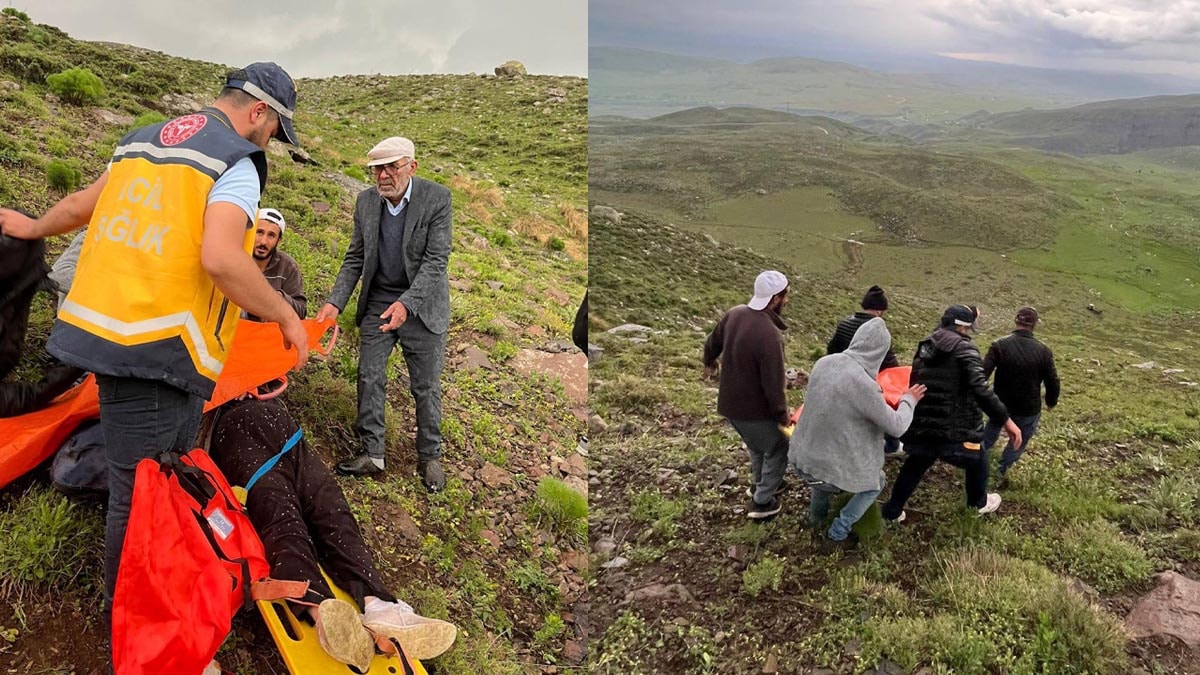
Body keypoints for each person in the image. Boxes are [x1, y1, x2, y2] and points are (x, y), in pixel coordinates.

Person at [0, 63, 310, 638]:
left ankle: (151, 594)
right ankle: (130, 628)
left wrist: (34, 225)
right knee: (137, 494)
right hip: (160, 351)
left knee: (155, 480)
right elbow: (221, 258)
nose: (272, 143)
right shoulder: (235, 162)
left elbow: (82, 206)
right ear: (259, 112)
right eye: (274, 131)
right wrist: (286, 316)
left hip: (109, 336)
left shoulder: (142, 142)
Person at [206, 398, 456, 669]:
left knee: (333, 511)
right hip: (231, 426)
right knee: (283, 520)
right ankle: (323, 614)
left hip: (280, 424)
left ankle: (381, 606)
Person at [316, 136, 452, 491]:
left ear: (412, 166)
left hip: (421, 304)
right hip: (379, 299)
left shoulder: (437, 199)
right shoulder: (365, 203)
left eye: (392, 167)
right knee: (369, 373)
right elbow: (355, 258)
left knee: (425, 385)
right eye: (378, 168)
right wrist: (335, 303)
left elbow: (436, 262)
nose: (384, 175)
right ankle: (373, 452)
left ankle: (429, 456)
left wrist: (407, 304)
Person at [790, 318, 925, 548]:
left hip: (801, 458)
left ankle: (816, 518)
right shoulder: (862, 384)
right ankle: (837, 533)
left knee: (822, 468)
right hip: (824, 469)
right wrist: (908, 400)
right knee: (876, 483)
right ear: (880, 352)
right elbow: (897, 426)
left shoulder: (824, 362)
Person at [881, 305, 1022, 522]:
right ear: (964, 327)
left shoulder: (925, 347)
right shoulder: (966, 349)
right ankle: (978, 503)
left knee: (916, 463)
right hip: (956, 425)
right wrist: (1006, 420)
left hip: (924, 423)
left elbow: (915, 381)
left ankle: (892, 511)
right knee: (979, 457)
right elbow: (981, 389)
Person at [703, 270, 791, 519]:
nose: (787, 300)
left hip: (730, 405)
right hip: (754, 410)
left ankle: (761, 483)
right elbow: (774, 385)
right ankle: (763, 501)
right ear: (775, 298)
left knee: (757, 445)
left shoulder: (735, 314)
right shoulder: (770, 336)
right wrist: (782, 416)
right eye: (785, 296)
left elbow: (712, 343)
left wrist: (709, 362)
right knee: (778, 447)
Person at [982, 306, 1059, 488]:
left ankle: (977, 461)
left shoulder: (999, 344)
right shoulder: (1044, 351)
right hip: (1028, 407)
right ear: (1034, 325)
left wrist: (980, 395)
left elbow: (982, 374)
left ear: (1016, 321)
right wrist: (1051, 402)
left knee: (990, 431)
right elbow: (1053, 381)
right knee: (1019, 439)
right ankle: (1001, 470)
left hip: (1000, 403)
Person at [827, 285, 903, 455]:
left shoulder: (844, 324)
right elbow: (889, 361)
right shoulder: (877, 330)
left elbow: (832, 350)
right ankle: (891, 445)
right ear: (880, 310)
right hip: (868, 380)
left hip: (842, 377)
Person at [246, 207, 306, 320]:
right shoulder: (237, 258)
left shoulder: (287, 267)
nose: (263, 241)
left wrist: (277, 297)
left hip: (269, 334)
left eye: (271, 235)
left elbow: (301, 311)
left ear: (279, 241)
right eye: (259, 232)